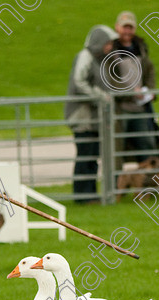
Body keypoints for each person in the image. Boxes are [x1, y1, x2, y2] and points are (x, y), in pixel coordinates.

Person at [64, 25, 117, 203]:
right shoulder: (85, 57)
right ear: (99, 42)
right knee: (85, 155)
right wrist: (100, 97)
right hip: (82, 117)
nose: (110, 47)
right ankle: (82, 195)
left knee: (92, 155)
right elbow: (79, 81)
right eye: (108, 43)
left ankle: (90, 194)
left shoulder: (97, 59)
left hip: (92, 118)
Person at [110, 11, 159, 161]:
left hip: (140, 108)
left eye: (130, 27)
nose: (127, 31)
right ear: (117, 27)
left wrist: (150, 91)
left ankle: (148, 181)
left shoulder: (140, 48)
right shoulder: (111, 50)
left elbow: (150, 71)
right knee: (117, 148)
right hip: (121, 108)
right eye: (124, 27)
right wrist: (130, 92)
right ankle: (117, 182)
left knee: (146, 145)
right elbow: (109, 79)